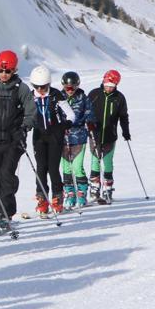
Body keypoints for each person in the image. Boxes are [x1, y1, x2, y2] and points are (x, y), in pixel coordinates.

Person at [0, 50, 34, 229]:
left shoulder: (22, 89)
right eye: (1, 71)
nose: (4, 75)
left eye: (8, 71)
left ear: (15, 70)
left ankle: (6, 213)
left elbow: (31, 112)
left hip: (13, 140)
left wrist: (24, 128)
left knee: (6, 176)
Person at [28, 66, 67, 215]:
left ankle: (57, 197)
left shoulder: (56, 95)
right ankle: (42, 199)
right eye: (37, 87)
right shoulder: (30, 97)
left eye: (43, 87)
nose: (41, 89)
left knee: (53, 168)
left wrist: (64, 125)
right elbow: (25, 115)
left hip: (55, 136)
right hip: (38, 136)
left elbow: (70, 114)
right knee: (40, 168)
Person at [87, 69, 129, 204]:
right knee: (94, 162)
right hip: (95, 134)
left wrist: (125, 131)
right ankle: (94, 189)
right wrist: (89, 124)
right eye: (107, 84)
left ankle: (108, 189)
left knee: (108, 163)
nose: (109, 88)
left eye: (112, 86)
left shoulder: (119, 98)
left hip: (110, 136)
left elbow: (123, 116)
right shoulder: (94, 94)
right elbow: (86, 111)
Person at [58, 71, 95, 208]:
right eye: (67, 88)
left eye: (73, 87)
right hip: (63, 137)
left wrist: (90, 122)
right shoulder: (59, 97)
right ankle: (70, 194)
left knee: (77, 167)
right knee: (66, 168)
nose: (70, 90)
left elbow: (90, 113)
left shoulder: (83, 98)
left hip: (79, 136)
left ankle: (81, 193)